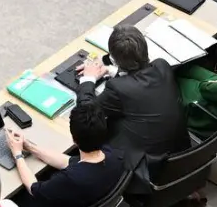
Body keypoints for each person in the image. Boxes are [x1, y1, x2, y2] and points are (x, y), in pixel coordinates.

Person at [75, 27, 188, 173]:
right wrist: (111, 70)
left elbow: (86, 113)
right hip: (179, 155)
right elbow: (141, 85)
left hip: (143, 167)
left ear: (114, 59)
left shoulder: (118, 88)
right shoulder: (162, 66)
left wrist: (88, 79)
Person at [6, 98, 125, 207]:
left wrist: (17, 154)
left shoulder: (72, 178)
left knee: (12, 197)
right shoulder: (113, 156)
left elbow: (34, 189)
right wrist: (30, 147)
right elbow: (68, 161)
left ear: (74, 139)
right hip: (80, 206)